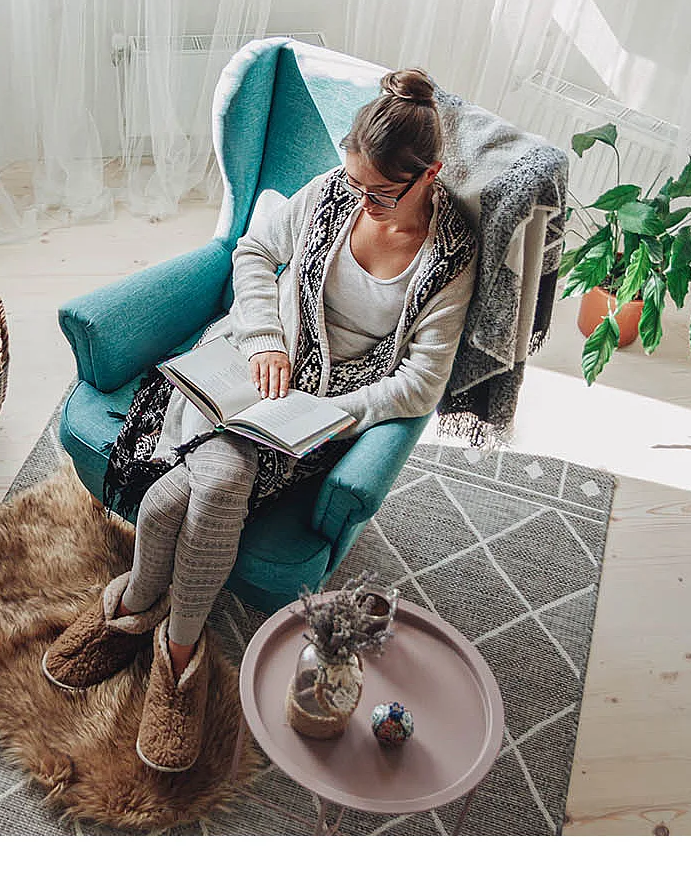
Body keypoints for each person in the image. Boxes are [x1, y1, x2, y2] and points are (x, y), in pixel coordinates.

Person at [42, 67, 479, 773]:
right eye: (354, 182)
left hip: (327, 408)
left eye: (380, 193)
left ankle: (148, 627)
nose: (361, 202)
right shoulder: (335, 191)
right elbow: (253, 250)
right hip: (251, 360)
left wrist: (332, 413)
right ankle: (169, 645)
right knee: (210, 486)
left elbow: (422, 382)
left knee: (189, 494)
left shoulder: (450, 256)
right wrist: (265, 340)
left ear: (428, 175)